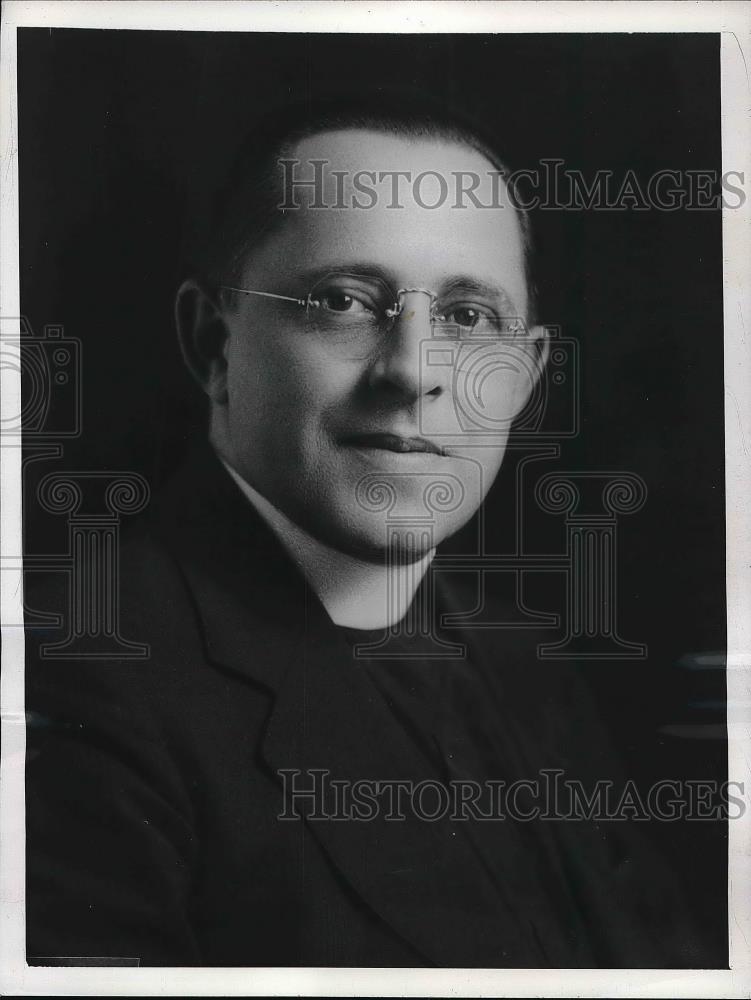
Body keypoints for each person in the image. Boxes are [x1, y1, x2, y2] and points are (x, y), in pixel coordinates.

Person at [25, 96, 709, 968]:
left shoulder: (524, 665)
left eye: (467, 318)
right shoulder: (77, 686)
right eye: (344, 301)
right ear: (213, 345)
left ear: (525, 376)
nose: (412, 371)